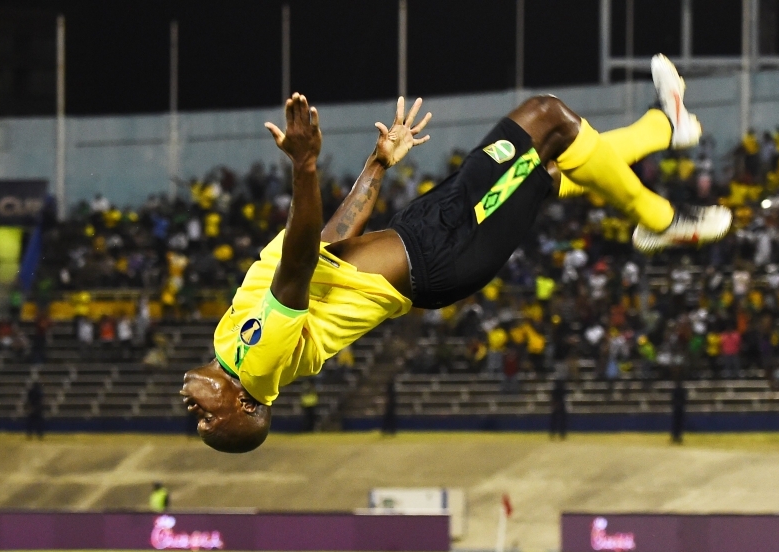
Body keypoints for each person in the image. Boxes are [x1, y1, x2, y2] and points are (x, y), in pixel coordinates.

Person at [182, 55, 732, 453]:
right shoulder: (256, 364)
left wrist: (377, 164)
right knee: (547, 116)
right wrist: (304, 166)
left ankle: (666, 125)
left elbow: (326, 240)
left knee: (551, 166)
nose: (196, 416)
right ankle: (663, 220)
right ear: (247, 406)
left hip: (424, 236)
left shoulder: (229, 343)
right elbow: (298, 262)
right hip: (442, 253)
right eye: (212, 424)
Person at [670, 379, 687, 444]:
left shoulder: (677, 391)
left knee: (677, 424)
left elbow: (673, 400)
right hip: (679, 409)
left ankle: (677, 436)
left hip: (678, 409)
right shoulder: (681, 391)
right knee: (678, 424)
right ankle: (676, 436)